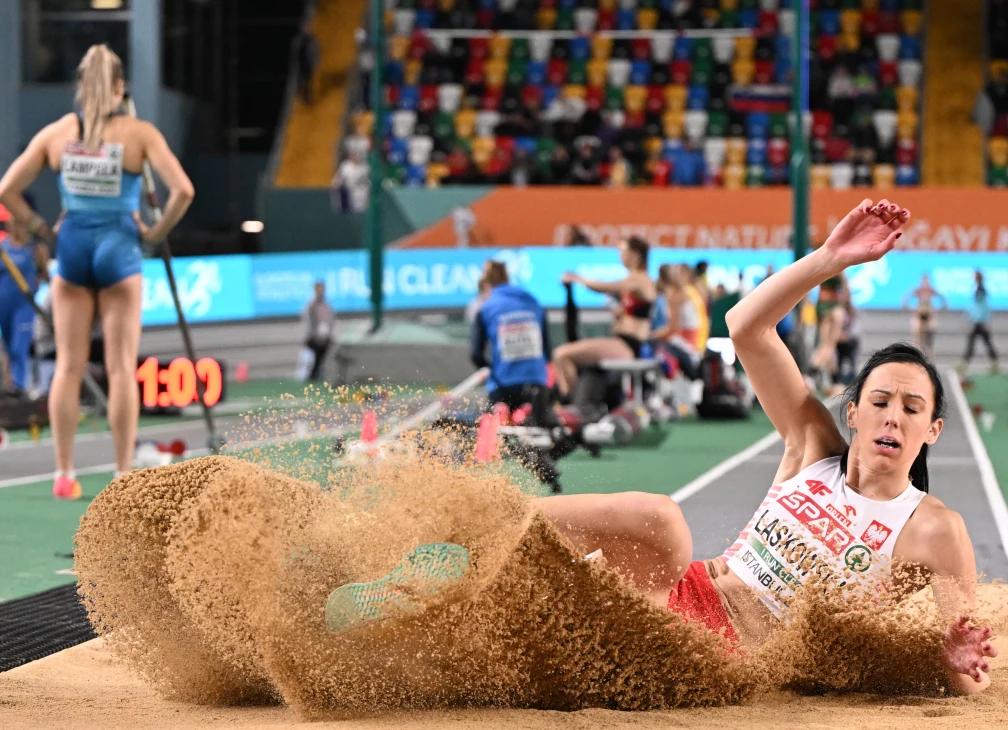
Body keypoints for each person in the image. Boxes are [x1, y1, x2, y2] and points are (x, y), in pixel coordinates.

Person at [332, 199, 999, 694]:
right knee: (652, 532)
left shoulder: (934, 529)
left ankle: (429, 626)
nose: (894, 416)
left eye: (913, 408)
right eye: (880, 400)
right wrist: (828, 261)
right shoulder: (811, 444)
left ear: (932, 431)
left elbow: (968, 670)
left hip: (722, 656)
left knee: (645, 537)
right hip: (674, 596)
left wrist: (953, 654)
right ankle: (445, 555)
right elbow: (745, 326)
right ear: (852, 412)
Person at [0, 44, 194, 500]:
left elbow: (7, 190)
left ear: (81, 88)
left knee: (67, 367)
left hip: (73, 248)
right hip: (120, 249)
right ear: (120, 87)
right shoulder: (139, 133)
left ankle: (63, 473)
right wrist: (154, 233)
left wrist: (42, 230)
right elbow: (183, 189)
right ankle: (122, 472)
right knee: (122, 368)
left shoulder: (61, 132)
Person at [554, 237, 656, 398]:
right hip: (622, 341)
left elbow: (605, 287)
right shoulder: (633, 280)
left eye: (623, 252)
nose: (620, 256)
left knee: (562, 354)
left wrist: (577, 278)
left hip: (629, 344)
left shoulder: (639, 278)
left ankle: (570, 403)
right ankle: (574, 401)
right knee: (566, 355)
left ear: (635, 254)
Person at [471, 260, 551, 411]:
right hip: (537, 382)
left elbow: (475, 354)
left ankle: (501, 412)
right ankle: (527, 413)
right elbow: (547, 350)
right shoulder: (534, 303)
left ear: (486, 286)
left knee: (499, 421)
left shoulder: (487, 308)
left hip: (503, 384)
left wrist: (490, 372)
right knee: (533, 421)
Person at [0, 216, 48, 392]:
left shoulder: (36, 249)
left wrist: (37, 285)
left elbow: (46, 275)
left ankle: (19, 387)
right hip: (3, 303)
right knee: (7, 347)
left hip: (25, 304)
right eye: (12, 225)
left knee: (19, 345)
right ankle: (9, 387)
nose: (16, 228)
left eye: (19, 224)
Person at [958, 270, 1000, 375]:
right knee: (983, 342)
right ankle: (994, 363)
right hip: (978, 321)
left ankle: (965, 363)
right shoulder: (978, 288)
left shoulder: (981, 289)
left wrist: (983, 319)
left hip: (980, 321)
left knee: (977, 342)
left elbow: (983, 306)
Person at [903, 274, 947, 361]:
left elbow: (943, 298)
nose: (925, 282)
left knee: (929, 337)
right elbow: (906, 299)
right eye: (924, 280)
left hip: (928, 314)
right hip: (920, 314)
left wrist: (938, 309)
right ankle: (917, 356)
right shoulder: (919, 290)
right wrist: (912, 308)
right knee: (918, 337)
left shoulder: (930, 290)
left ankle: (929, 357)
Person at [302, 280, 335, 382]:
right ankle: (313, 374)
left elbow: (331, 320)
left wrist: (327, 332)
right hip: (314, 338)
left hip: (325, 337)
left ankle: (321, 373)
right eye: (318, 289)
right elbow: (309, 323)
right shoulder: (311, 306)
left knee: (329, 349)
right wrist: (316, 335)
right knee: (318, 351)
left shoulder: (327, 306)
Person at [295, 18, 319, 105]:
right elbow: (295, 52)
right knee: (301, 80)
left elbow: (315, 51)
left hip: (308, 64)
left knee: (308, 81)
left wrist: (315, 62)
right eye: (305, 28)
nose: (307, 29)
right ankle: (300, 95)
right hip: (301, 64)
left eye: (308, 27)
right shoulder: (299, 40)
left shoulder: (312, 40)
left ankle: (306, 97)